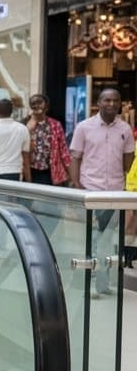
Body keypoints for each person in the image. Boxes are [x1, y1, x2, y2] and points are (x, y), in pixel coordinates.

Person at [70, 86, 133, 297]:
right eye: (107, 100)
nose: (111, 104)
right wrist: (76, 185)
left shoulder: (125, 130)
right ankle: (86, 285)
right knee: (90, 239)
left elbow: (128, 161)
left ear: (120, 104)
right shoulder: (84, 127)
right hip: (90, 190)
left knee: (107, 240)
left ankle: (103, 284)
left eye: (115, 100)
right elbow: (75, 158)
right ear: (99, 103)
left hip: (115, 193)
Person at [23, 94, 71, 186]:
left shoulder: (55, 125)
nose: (36, 105)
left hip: (50, 172)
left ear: (46, 105)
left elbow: (63, 151)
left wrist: (70, 175)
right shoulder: (24, 124)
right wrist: (28, 129)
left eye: (39, 102)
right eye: (33, 103)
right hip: (30, 172)